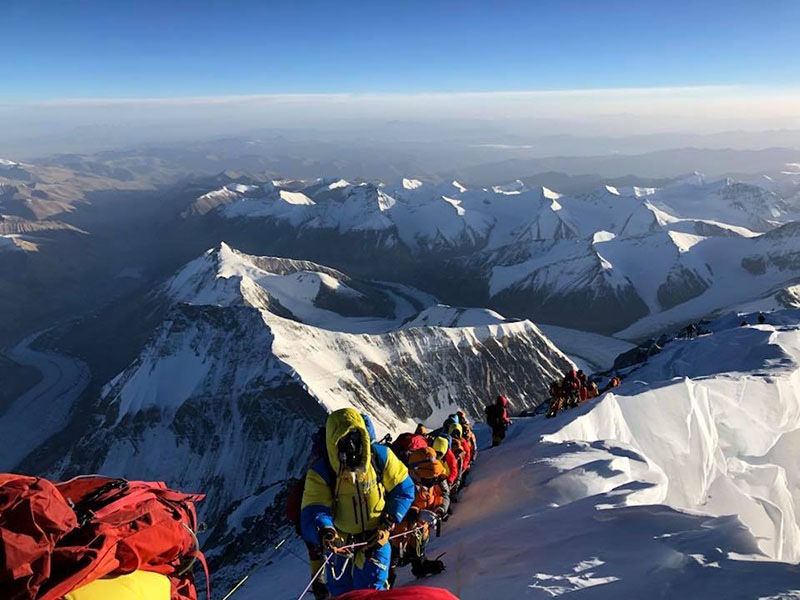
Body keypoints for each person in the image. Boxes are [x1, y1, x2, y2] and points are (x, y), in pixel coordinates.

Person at [301, 409, 415, 595]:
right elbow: (314, 509)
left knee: (371, 591)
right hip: (340, 544)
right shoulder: (322, 472)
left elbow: (403, 489)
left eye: (355, 439)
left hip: (375, 538)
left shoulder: (381, 457)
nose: (352, 447)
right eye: (345, 441)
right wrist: (325, 531)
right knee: (343, 593)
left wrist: (389, 521)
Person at [387, 447, 449, 586]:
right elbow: (390, 511)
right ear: (415, 472)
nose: (433, 481)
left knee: (418, 548)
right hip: (396, 535)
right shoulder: (397, 484)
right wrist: (417, 514)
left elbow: (442, 495)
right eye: (429, 477)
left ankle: (419, 565)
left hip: (418, 531)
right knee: (390, 562)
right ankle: (385, 586)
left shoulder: (432, 480)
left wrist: (440, 509)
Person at [286, 427, 330, 600]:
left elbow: (292, 507)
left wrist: (300, 523)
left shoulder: (313, 472)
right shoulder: (333, 470)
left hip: (310, 523)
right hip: (338, 521)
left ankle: (320, 587)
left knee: (315, 551)